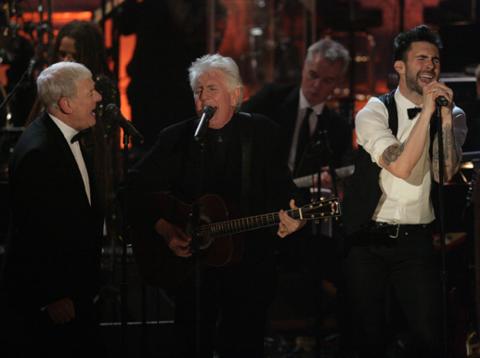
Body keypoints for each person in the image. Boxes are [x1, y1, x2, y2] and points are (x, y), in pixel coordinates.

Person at [127, 53, 305, 357]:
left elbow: (286, 191)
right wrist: (166, 229)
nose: (202, 98)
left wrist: (296, 216)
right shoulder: (178, 138)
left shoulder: (262, 133)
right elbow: (131, 189)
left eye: (212, 89)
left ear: (235, 95)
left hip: (249, 266)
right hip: (193, 272)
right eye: (198, 90)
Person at [341, 24, 467, 357]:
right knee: (366, 338)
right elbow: (400, 166)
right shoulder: (373, 111)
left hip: (417, 242)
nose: (430, 66)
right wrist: (426, 112)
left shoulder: (451, 114)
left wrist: (443, 120)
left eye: (436, 60)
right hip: (368, 239)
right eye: (421, 58)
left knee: (429, 336)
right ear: (400, 66)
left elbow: (444, 173)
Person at [241, 38, 353, 341]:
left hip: (305, 217)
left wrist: (332, 184)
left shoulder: (338, 128)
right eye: (313, 75)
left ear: (337, 83)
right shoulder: (271, 100)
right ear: (304, 68)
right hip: (260, 210)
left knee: (347, 264)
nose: (316, 86)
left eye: (327, 80)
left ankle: (332, 340)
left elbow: (339, 182)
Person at [1, 62, 104, 358]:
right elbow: (33, 230)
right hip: (54, 303)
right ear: (66, 104)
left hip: (76, 292)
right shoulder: (40, 152)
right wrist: (53, 294)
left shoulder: (62, 133)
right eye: (91, 91)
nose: (98, 98)